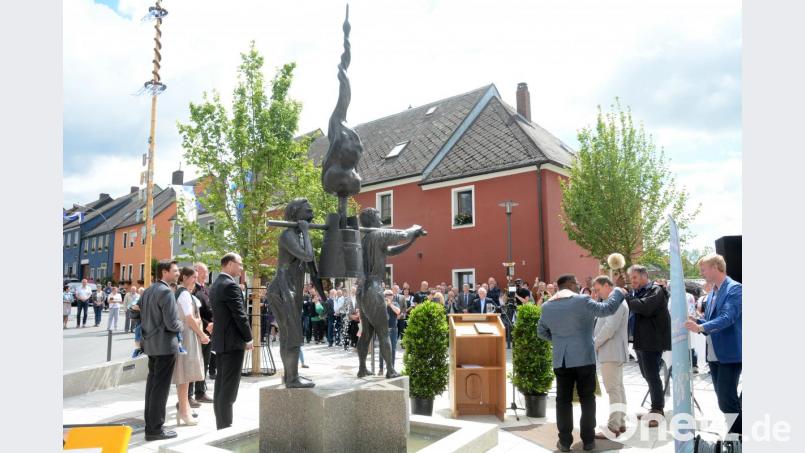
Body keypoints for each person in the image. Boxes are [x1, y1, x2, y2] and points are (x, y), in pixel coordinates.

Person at [537, 274, 626, 452]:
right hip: (584, 358)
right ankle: (588, 441)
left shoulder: (547, 306)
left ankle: (564, 441)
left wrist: (559, 342)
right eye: (576, 283)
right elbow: (607, 309)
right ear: (569, 285)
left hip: (561, 360)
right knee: (587, 399)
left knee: (563, 401)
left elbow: (541, 332)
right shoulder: (582, 300)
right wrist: (617, 290)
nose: (579, 286)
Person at [355, 208, 425, 379]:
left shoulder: (366, 239)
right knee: (384, 332)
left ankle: (362, 368)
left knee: (366, 333)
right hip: (373, 289)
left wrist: (412, 241)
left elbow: (391, 251)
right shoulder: (379, 234)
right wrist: (414, 229)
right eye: (378, 218)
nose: (381, 221)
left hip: (362, 290)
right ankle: (390, 370)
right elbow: (403, 233)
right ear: (372, 220)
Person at [685, 253, 742, 439]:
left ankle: (738, 437)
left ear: (716, 267)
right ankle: (736, 435)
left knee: (727, 400)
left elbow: (727, 318)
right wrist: (698, 320)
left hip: (730, 354)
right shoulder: (713, 292)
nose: (701, 273)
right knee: (724, 400)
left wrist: (700, 326)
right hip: (715, 355)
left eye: (703, 269)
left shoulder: (735, 289)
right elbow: (712, 320)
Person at [265, 199, 321, 388]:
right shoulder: (288, 235)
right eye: (307, 210)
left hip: (291, 289)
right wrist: (306, 231)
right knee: (292, 334)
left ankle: (291, 375)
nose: (312, 212)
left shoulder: (297, 235)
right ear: (295, 213)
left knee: (291, 335)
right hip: (283, 288)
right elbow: (307, 256)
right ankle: (291, 378)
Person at [623, 264, 671, 428]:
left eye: (635, 278)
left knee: (652, 376)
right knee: (647, 375)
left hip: (652, 340)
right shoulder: (639, 292)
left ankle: (658, 411)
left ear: (644, 276)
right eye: (631, 279)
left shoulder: (655, 290)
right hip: (641, 340)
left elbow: (645, 308)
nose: (632, 281)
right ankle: (653, 409)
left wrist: (627, 298)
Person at [140, 260, 183, 441]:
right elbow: (173, 324)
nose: (177, 273)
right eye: (174, 270)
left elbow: (135, 313)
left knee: (152, 386)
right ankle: (155, 429)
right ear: (164, 272)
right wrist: (184, 325)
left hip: (151, 345)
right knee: (160, 388)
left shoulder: (149, 290)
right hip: (165, 346)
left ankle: (151, 426)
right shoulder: (165, 291)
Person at [211, 252, 253, 430]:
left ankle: (222, 423)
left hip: (222, 342)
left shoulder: (216, 284)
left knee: (221, 385)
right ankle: (225, 427)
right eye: (240, 264)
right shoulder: (230, 285)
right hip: (232, 343)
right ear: (229, 264)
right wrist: (249, 337)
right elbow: (240, 316)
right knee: (228, 388)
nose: (241, 267)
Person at [592, 276, 630, 439]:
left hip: (611, 351)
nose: (597, 293)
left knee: (613, 389)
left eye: (598, 289)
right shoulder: (615, 300)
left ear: (607, 285)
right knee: (618, 388)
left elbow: (609, 327)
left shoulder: (616, 301)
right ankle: (620, 422)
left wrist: (595, 343)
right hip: (613, 351)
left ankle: (613, 426)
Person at [173, 267, 210, 426]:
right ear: (185, 277)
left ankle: (184, 409)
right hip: (187, 336)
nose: (196, 280)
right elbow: (189, 317)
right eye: (193, 277)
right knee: (184, 374)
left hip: (186, 335)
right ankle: (183, 411)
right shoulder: (184, 294)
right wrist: (202, 335)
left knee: (185, 375)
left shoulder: (182, 293)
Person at [189, 262, 214, 403]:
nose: (206, 274)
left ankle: (201, 392)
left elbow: (213, 308)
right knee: (195, 362)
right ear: (196, 272)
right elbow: (193, 313)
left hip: (209, 332)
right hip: (198, 331)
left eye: (207, 271)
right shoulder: (193, 291)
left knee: (205, 362)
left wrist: (214, 323)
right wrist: (206, 325)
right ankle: (190, 394)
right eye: (204, 271)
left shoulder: (207, 290)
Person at [377, 289, 402, 376]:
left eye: (391, 294)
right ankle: (381, 369)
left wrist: (390, 304)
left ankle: (391, 369)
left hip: (393, 330)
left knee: (393, 350)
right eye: (387, 294)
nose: (390, 296)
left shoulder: (395, 303)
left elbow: (398, 312)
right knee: (382, 350)